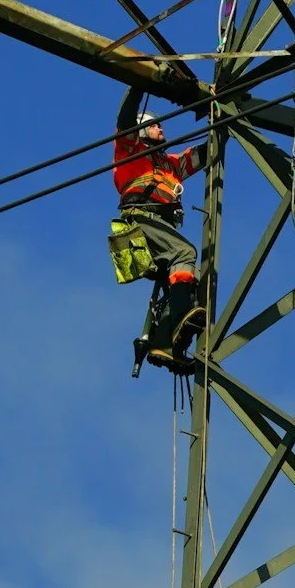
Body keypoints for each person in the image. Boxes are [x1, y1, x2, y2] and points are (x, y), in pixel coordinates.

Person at [109, 94, 207, 376]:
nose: (162, 130)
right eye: (156, 126)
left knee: (194, 281)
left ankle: (165, 344)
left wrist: (224, 125)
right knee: (184, 254)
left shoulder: (170, 165)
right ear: (142, 131)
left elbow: (200, 155)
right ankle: (179, 320)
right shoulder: (130, 150)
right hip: (140, 220)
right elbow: (125, 117)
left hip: (158, 228)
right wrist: (139, 83)